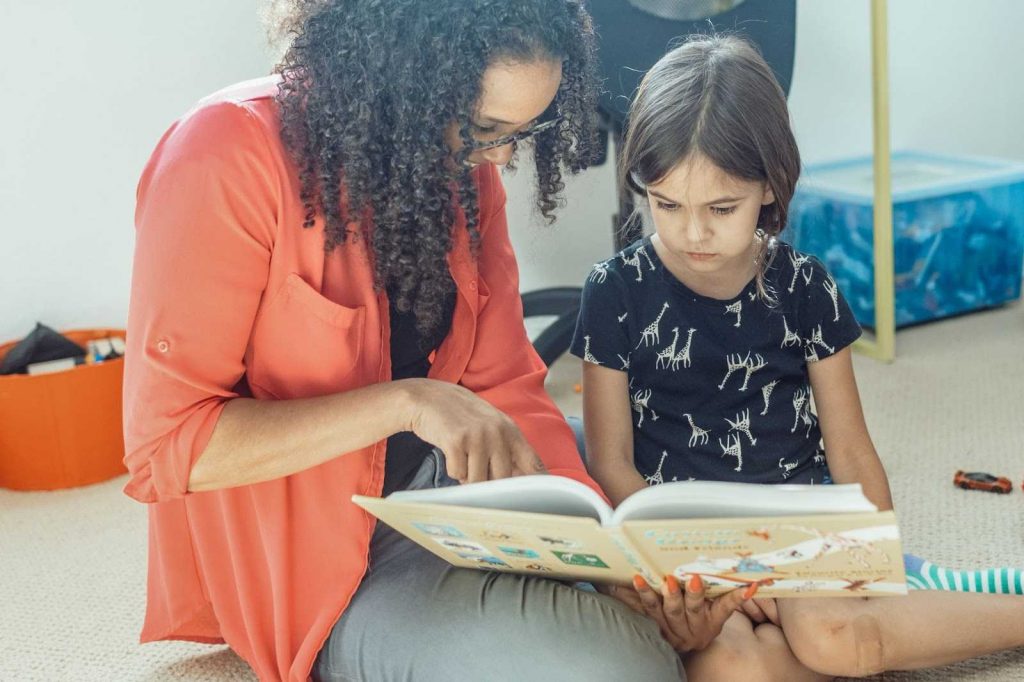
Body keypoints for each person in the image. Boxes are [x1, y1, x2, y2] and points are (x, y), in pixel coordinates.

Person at [123, 3, 760, 680]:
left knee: (682, 483)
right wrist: (407, 402)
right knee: (623, 668)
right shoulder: (226, 153)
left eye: (522, 131)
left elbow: (506, 385)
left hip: (455, 489)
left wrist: (609, 567)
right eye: (487, 129)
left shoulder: (463, 167)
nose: (505, 157)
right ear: (403, 74)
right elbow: (169, 447)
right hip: (325, 559)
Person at [571, 34, 1024, 679]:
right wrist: (684, 569)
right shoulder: (613, 292)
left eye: (721, 208)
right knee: (730, 668)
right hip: (687, 549)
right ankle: (897, 618)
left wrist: (873, 557)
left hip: (797, 525)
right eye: (666, 204)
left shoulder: (804, 286)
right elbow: (610, 462)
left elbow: (850, 449)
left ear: (769, 186)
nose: (692, 232)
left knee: (836, 638)